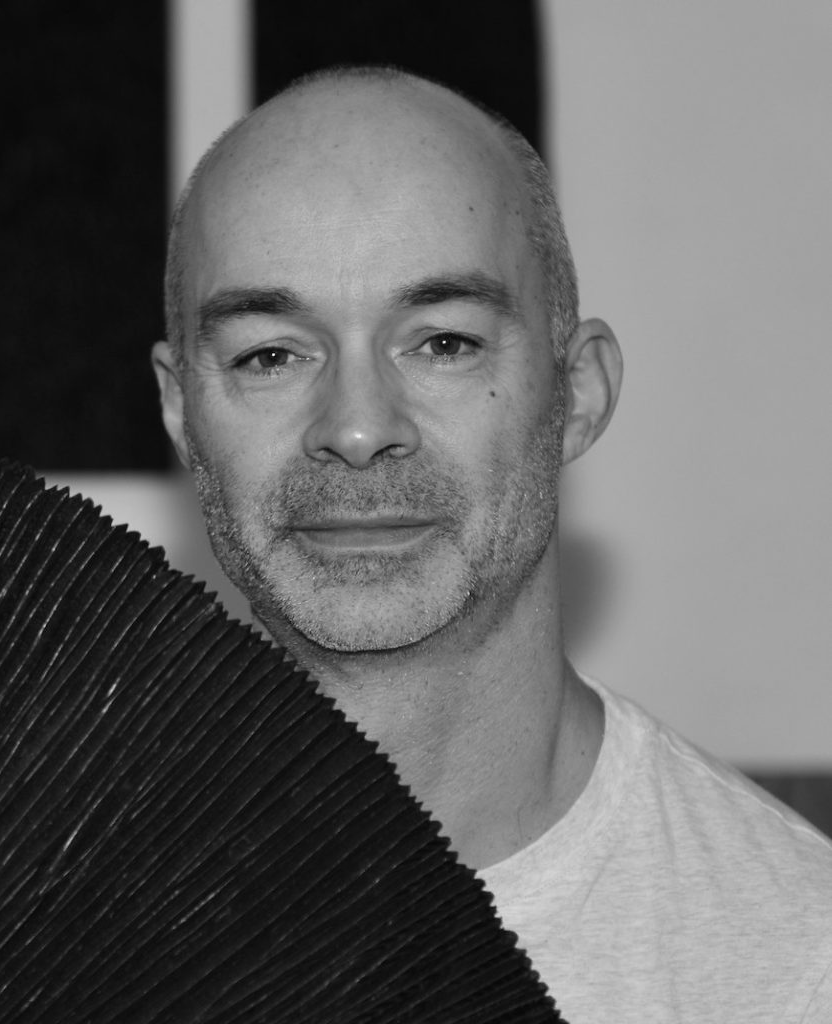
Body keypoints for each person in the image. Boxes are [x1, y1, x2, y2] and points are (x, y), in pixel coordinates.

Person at [151, 65, 832, 1022]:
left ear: (577, 393)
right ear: (181, 410)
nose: (357, 427)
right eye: (271, 354)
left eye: (443, 343)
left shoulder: (796, 965)